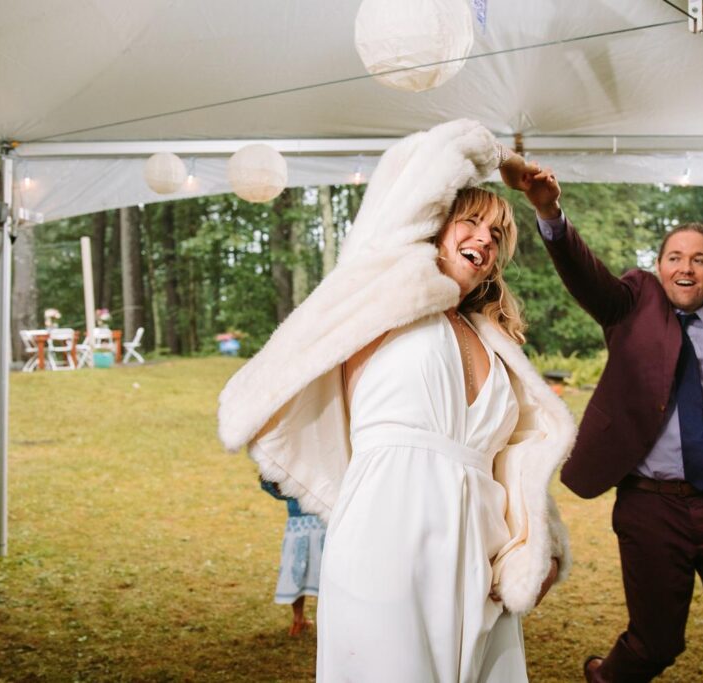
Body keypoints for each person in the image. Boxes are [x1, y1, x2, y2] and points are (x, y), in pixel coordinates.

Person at [217, 119, 575, 682]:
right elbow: (432, 155)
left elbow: (517, 458)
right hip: (387, 534)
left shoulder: (493, 338)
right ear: (435, 223)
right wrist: (509, 166)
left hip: (476, 551)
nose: (484, 238)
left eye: (497, 233)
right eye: (472, 221)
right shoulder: (386, 287)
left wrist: (540, 549)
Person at [518, 168, 703, 682]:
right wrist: (550, 215)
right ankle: (607, 677)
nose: (686, 267)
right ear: (658, 268)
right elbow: (588, 276)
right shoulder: (633, 304)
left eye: (699, 259)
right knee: (657, 641)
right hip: (650, 505)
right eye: (675, 257)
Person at [260, 478, 326, 636]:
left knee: (306, 567)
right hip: (313, 513)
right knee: (309, 568)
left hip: (314, 514)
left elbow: (271, 484)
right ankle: (301, 620)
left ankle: (301, 619)